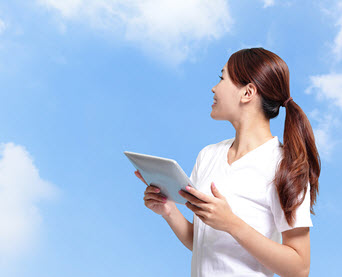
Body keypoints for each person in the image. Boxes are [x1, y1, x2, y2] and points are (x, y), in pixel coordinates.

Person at [135, 47, 320, 277]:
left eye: (222, 78)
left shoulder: (285, 165)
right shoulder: (208, 155)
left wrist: (232, 223)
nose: (214, 87)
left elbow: (299, 268)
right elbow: (203, 243)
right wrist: (168, 210)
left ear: (247, 92)